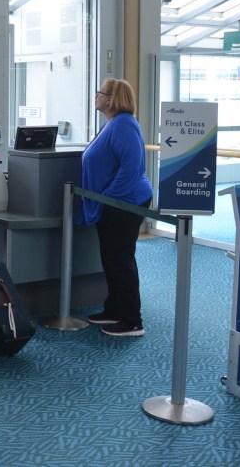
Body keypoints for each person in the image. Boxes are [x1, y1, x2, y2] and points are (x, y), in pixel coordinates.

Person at [77, 78, 153, 337]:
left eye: (100, 92)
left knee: (121, 260)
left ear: (110, 99)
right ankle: (115, 309)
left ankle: (132, 321)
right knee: (111, 258)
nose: (96, 95)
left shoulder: (123, 124)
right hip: (114, 202)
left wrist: (110, 197)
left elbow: (131, 167)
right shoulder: (111, 123)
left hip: (124, 202)